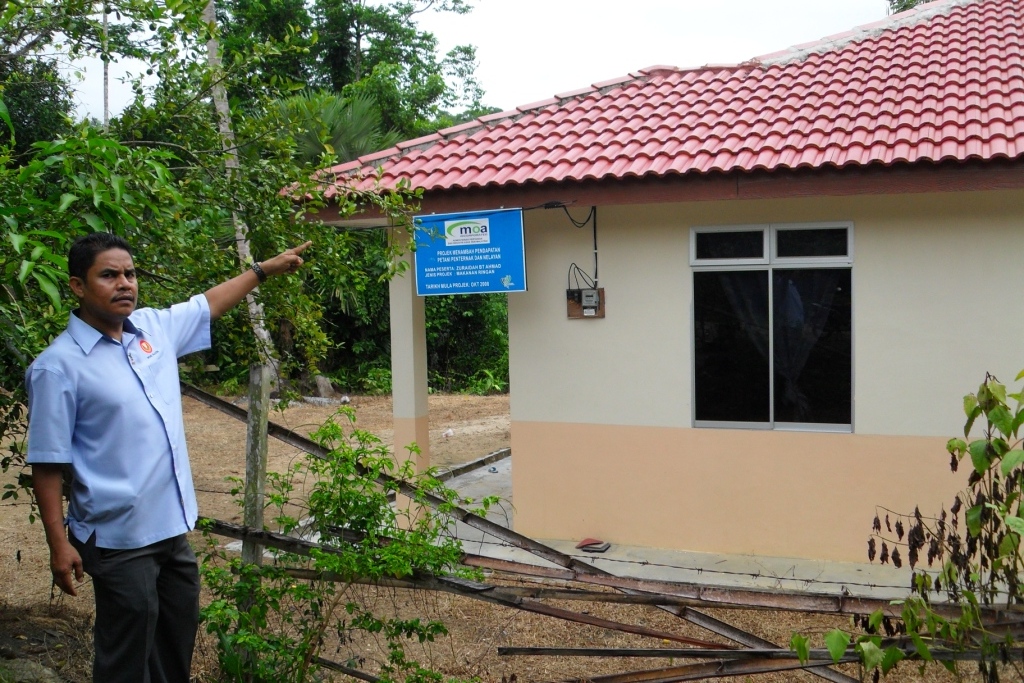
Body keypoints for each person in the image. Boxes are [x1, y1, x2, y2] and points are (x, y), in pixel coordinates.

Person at [26, 232, 311, 683]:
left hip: (172, 528)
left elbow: (209, 303)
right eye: (109, 275)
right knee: (125, 658)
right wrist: (58, 544)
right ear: (78, 286)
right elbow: (47, 463)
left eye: (130, 273)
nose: (125, 284)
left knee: (174, 647)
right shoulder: (57, 366)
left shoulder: (153, 330)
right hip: (117, 538)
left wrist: (263, 270)